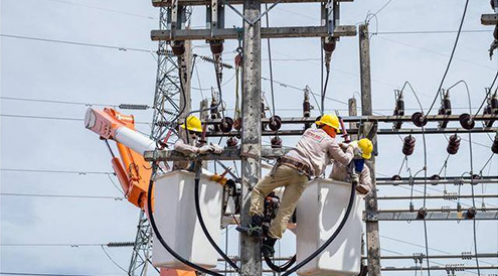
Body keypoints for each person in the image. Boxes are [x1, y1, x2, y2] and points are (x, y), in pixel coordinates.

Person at [238, 114, 358, 257]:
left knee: (259, 190)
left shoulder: (308, 132)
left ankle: (255, 224)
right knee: (285, 211)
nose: (334, 134)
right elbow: (344, 160)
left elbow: (318, 146)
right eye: (334, 131)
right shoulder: (330, 142)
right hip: (302, 176)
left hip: (286, 166)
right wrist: (351, 147)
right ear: (330, 128)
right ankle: (269, 244)